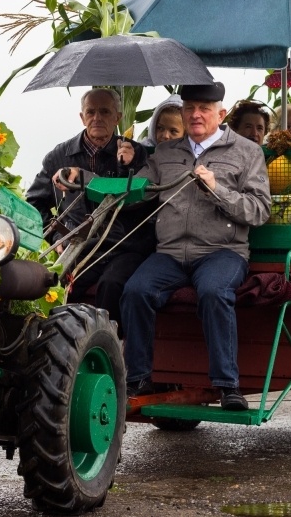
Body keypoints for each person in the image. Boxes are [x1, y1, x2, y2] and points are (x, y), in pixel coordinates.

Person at [118, 82, 272, 411]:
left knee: (215, 292)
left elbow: (259, 211)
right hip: (171, 254)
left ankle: (228, 386)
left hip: (223, 252)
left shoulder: (247, 153)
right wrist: (92, 178)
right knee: (135, 291)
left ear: (222, 113)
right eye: (190, 108)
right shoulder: (166, 152)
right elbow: (138, 191)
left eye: (204, 108)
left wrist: (217, 189)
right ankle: (138, 379)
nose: (196, 114)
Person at [25, 88, 153, 336]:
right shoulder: (59, 155)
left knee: (111, 284)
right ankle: (57, 347)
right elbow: (34, 204)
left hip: (122, 246)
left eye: (104, 112)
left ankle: (108, 350)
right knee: (57, 285)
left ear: (117, 117)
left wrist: (129, 167)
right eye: (91, 112)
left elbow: (146, 202)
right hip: (80, 246)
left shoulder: (135, 153)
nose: (97, 118)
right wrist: (56, 237)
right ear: (82, 117)